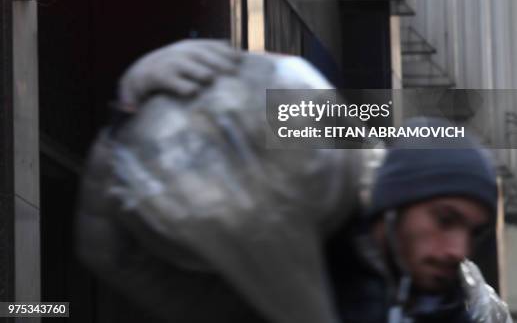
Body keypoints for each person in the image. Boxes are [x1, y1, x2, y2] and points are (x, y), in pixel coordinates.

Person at [78, 40, 512, 323]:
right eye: (444, 218)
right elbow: (117, 256)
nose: (456, 248)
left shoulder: (463, 304)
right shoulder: (264, 270)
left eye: (471, 232)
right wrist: (132, 119)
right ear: (395, 201)